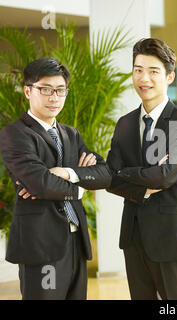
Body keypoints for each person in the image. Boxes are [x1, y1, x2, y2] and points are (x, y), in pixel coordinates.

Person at [0, 57, 112, 300]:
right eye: (46, 90)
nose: (54, 97)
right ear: (28, 91)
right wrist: (81, 188)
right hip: (41, 247)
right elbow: (40, 183)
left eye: (60, 91)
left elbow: (105, 174)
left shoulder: (70, 134)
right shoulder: (15, 134)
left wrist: (67, 173)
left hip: (76, 243)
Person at [106, 38, 177, 300]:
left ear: (169, 76)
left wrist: (123, 173)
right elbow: (110, 179)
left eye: (153, 71)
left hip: (169, 239)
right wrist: (138, 183)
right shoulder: (124, 124)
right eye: (138, 70)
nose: (143, 78)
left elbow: (165, 176)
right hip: (133, 238)